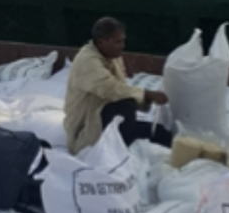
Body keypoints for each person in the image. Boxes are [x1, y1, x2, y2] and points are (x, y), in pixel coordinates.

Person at [64, 17, 172, 154]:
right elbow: (111, 89)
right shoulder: (87, 61)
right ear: (101, 42)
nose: (123, 46)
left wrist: (144, 99)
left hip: (109, 119)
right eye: (118, 42)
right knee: (125, 106)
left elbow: (123, 89)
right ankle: (123, 153)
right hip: (87, 130)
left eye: (123, 41)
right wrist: (146, 94)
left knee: (160, 133)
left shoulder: (113, 56)